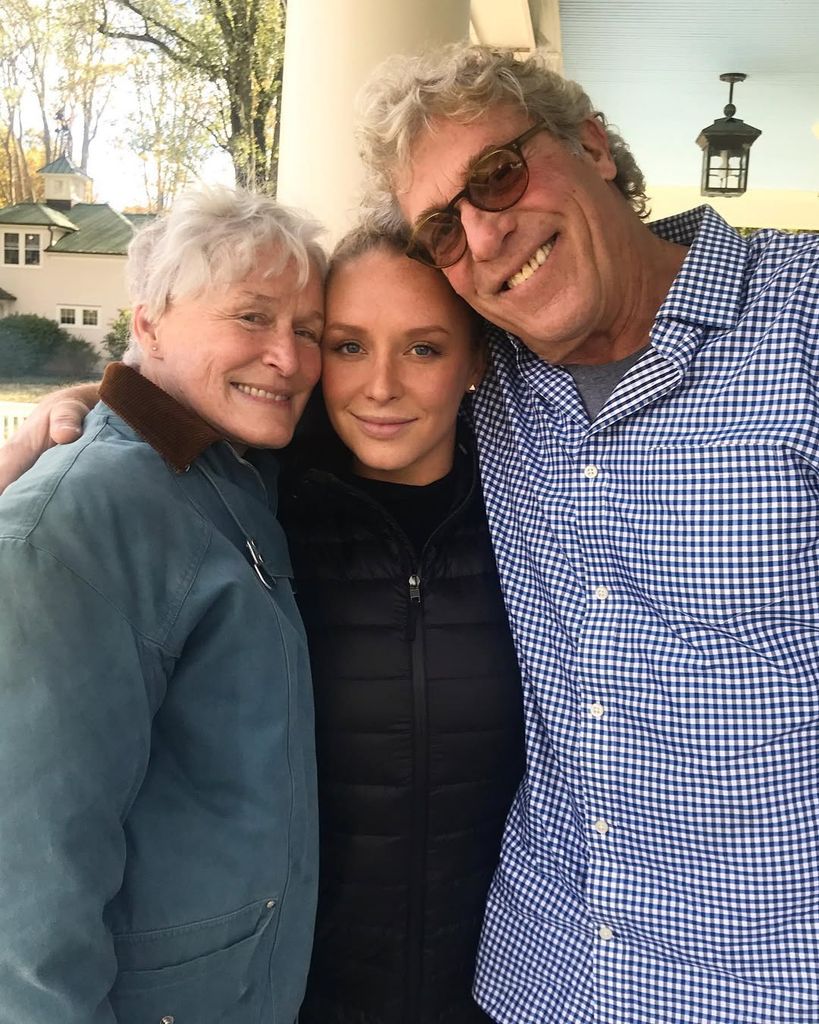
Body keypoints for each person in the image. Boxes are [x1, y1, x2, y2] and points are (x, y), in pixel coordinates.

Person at [350, 43, 819, 1024]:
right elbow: (325, 378)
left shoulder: (805, 323)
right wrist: (119, 417)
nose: (483, 233)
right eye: (442, 228)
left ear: (594, 147)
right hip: (540, 973)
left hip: (764, 986)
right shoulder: (489, 381)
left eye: (498, 172)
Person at [0, 186, 324, 1023]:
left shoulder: (226, 472)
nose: (288, 358)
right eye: (251, 318)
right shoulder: (81, 518)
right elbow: (28, 887)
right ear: (147, 325)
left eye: (309, 331)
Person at [280, 224, 524, 1024]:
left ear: (476, 361)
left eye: (422, 349)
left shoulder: (537, 522)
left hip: (497, 991)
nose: (379, 385)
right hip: (301, 994)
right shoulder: (256, 517)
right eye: (348, 347)